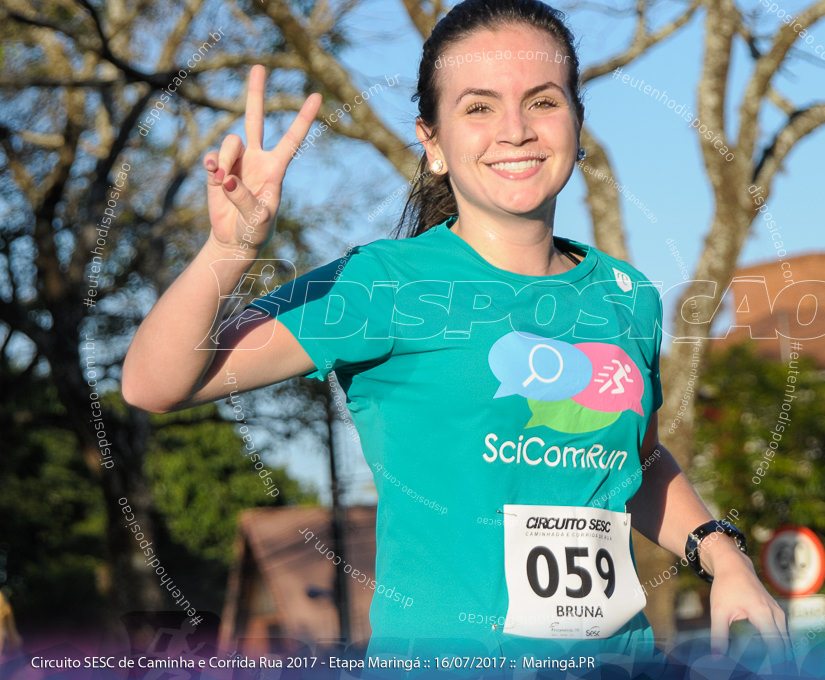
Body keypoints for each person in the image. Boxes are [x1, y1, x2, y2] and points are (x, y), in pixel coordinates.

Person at [122, 0, 788, 675]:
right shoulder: (381, 283)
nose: (516, 130)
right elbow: (154, 383)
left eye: (542, 101)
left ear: (578, 125)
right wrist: (228, 250)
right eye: (478, 107)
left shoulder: (628, 296)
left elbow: (636, 464)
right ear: (433, 142)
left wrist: (721, 553)